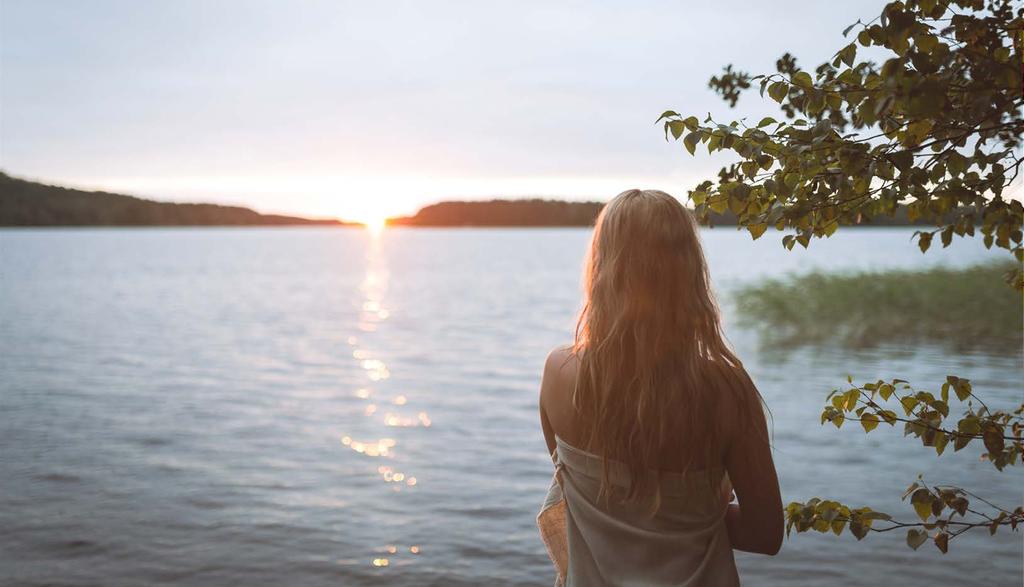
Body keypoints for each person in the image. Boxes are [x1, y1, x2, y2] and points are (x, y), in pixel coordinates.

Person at [537, 189, 782, 586]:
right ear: (689, 270)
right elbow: (765, 533)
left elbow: (581, 493)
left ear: (602, 267)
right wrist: (698, 510)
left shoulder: (558, 372)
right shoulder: (725, 390)